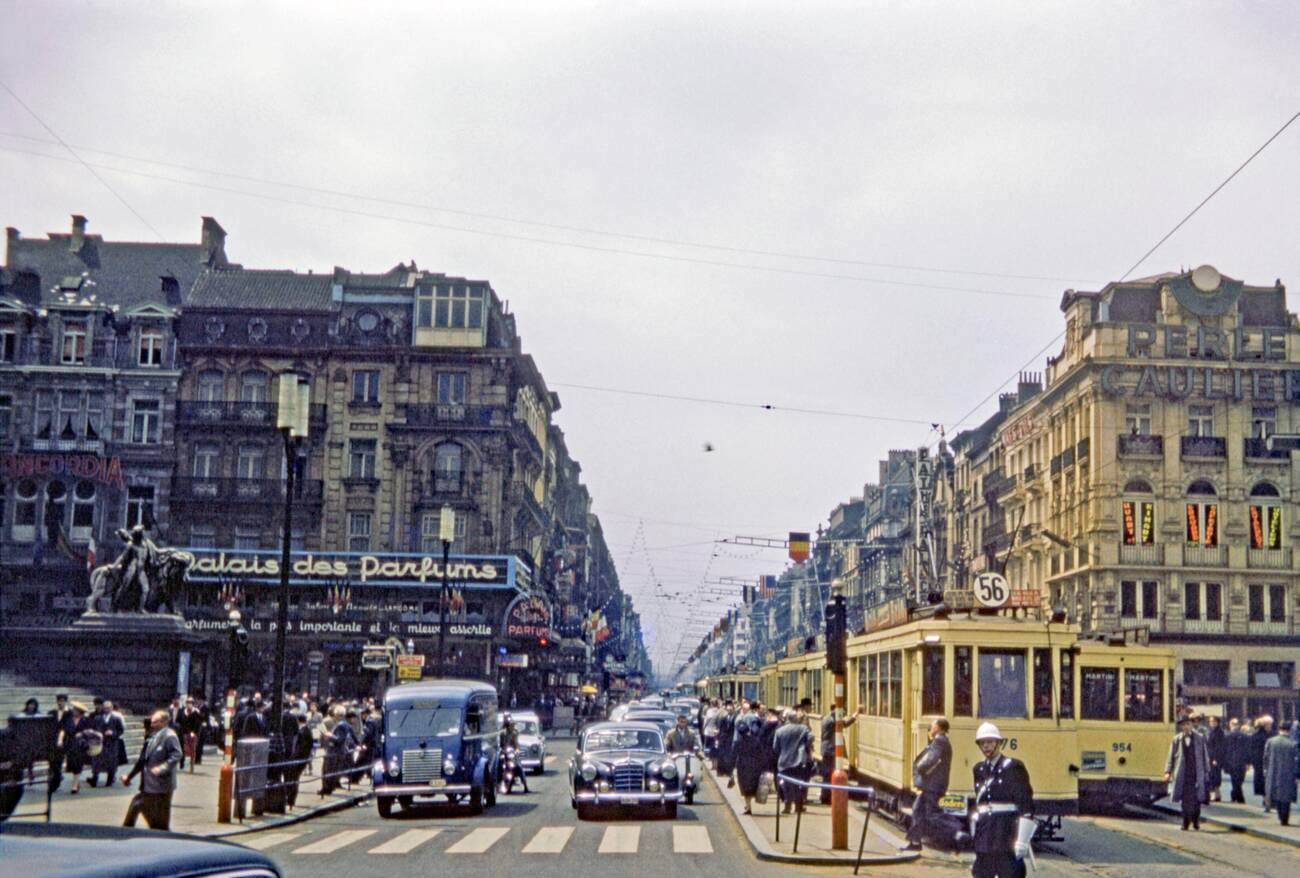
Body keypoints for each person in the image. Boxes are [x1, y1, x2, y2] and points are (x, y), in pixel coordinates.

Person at [970, 723, 1034, 878]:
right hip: (985, 836)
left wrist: (1022, 841)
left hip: (1006, 833)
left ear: (998, 743)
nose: (986, 746)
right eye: (982, 743)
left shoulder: (1013, 767)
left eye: (990, 742)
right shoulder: (978, 769)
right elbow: (981, 806)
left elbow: (1026, 805)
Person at [121, 709, 183, 830]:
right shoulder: (152, 736)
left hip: (162, 785)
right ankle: (128, 830)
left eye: (155, 722)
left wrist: (162, 767)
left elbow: (177, 754)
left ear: (164, 722)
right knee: (140, 806)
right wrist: (129, 777)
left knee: (154, 813)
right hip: (149, 783)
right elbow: (142, 760)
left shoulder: (169, 736)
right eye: (152, 722)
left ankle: (128, 831)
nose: (152, 725)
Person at [902, 717, 953, 852]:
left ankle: (957, 832)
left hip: (933, 785)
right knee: (917, 809)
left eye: (933, 725)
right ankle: (915, 842)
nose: (930, 728)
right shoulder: (940, 741)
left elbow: (932, 759)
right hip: (932, 785)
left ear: (939, 728)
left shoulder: (940, 741)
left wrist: (920, 767)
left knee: (932, 814)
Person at [1165, 714, 1208, 830]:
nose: (1186, 727)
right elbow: (1171, 756)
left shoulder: (1199, 738)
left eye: (1188, 724)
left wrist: (1206, 772)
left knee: (1197, 800)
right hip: (1182, 774)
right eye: (1183, 725)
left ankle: (1195, 820)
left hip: (1196, 773)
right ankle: (1185, 822)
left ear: (1192, 724)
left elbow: (1205, 756)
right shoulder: (1177, 739)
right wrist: (1168, 771)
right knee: (1185, 800)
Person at [773, 708, 814, 814]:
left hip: (784, 761)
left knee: (785, 785)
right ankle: (798, 806)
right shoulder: (803, 728)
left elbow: (775, 748)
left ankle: (787, 806)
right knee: (798, 784)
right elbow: (811, 737)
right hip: (798, 761)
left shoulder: (779, 731)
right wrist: (805, 746)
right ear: (795, 718)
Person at [818, 704, 861, 804]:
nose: (842, 714)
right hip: (830, 750)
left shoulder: (827, 718)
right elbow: (844, 724)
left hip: (828, 749)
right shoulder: (831, 720)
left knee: (828, 774)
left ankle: (826, 795)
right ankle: (826, 797)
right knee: (828, 774)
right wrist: (855, 715)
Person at [733, 702, 767, 814]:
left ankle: (748, 806)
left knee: (744, 787)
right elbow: (761, 754)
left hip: (742, 766)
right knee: (753, 785)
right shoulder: (755, 741)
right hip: (754, 766)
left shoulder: (738, 742)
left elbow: (735, 754)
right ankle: (750, 803)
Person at [1263, 721, 1298, 826]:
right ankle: (1285, 818)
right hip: (1288, 773)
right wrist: (1297, 775)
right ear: (1289, 730)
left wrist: (1265, 770)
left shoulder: (1271, 741)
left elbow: (1265, 757)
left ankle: (1280, 815)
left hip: (1273, 772)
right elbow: (1296, 761)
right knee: (1286, 797)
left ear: (1279, 729)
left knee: (1276, 794)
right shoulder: (1293, 743)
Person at [321, 706, 357, 795]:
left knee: (328, 770)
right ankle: (329, 787)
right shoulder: (345, 724)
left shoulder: (341, 725)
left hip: (334, 751)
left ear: (337, 715)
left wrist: (329, 735)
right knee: (333, 770)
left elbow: (339, 739)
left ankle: (327, 789)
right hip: (339, 751)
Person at [89, 699, 125, 787]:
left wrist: (113, 733)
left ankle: (109, 780)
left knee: (111, 762)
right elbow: (92, 729)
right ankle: (94, 779)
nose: (106, 710)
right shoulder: (97, 718)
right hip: (100, 742)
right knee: (97, 761)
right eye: (105, 708)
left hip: (111, 743)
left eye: (108, 708)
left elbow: (121, 730)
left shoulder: (116, 719)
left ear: (112, 708)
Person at [47, 693, 77, 794]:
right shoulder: (52, 712)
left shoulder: (69, 713)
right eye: (59, 701)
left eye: (62, 701)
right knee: (51, 762)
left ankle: (55, 782)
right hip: (51, 741)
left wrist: (61, 738)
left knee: (58, 761)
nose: (60, 703)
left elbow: (68, 727)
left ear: (65, 702)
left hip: (63, 742)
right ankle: (55, 778)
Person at [1224, 717, 1250, 803]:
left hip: (1240, 761)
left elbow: (1247, 750)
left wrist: (1248, 762)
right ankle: (1239, 797)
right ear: (1230, 725)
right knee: (1235, 779)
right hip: (1232, 761)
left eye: (1236, 724)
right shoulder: (1227, 736)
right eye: (1233, 724)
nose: (1235, 726)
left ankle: (1235, 795)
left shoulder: (1244, 736)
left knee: (1238, 779)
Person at [1251, 714, 1273, 807]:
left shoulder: (1256, 735)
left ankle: (1266, 799)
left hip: (1259, 762)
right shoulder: (1268, 736)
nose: (1270, 726)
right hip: (1263, 762)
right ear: (1265, 725)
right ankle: (1267, 799)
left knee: (1263, 781)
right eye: (1269, 725)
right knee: (1266, 781)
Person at [1205, 715, 1225, 802]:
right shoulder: (1211, 731)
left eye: (1213, 721)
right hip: (1210, 757)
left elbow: (1219, 747)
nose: (1212, 723)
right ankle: (1216, 794)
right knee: (1212, 775)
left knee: (1215, 776)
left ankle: (1215, 794)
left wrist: (1215, 758)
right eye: (1210, 721)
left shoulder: (1219, 732)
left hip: (1215, 758)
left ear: (1217, 722)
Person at [717, 701, 737, 783]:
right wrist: (719, 737)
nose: (729, 711)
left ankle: (729, 772)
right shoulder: (724, 718)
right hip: (723, 739)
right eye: (728, 709)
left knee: (730, 756)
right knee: (722, 755)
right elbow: (721, 728)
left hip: (731, 738)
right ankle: (721, 771)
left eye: (731, 709)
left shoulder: (735, 717)